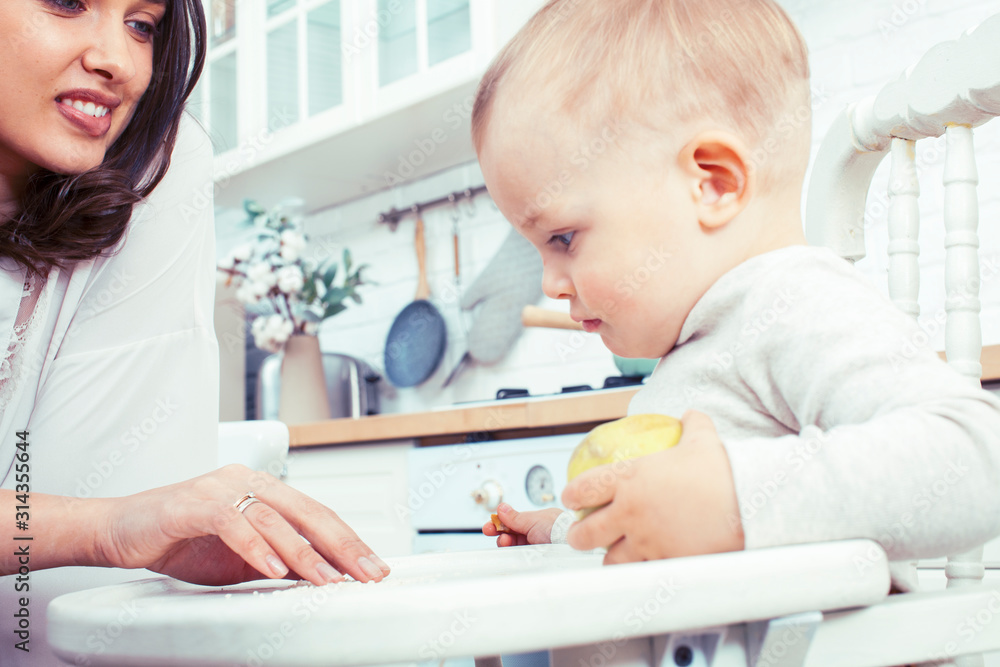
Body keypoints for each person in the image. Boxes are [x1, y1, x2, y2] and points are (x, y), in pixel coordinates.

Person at [476, 0, 1000, 587]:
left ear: (714, 184)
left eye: (563, 238)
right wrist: (569, 531)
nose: (549, 283)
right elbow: (677, 537)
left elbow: (977, 460)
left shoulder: (793, 301)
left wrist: (734, 499)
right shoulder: (703, 335)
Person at [0, 1, 387, 663]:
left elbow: (83, 588)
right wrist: (105, 527)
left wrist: (122, 523)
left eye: (142, 25)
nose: (118, 62)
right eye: (66, 2)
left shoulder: (152, 166)